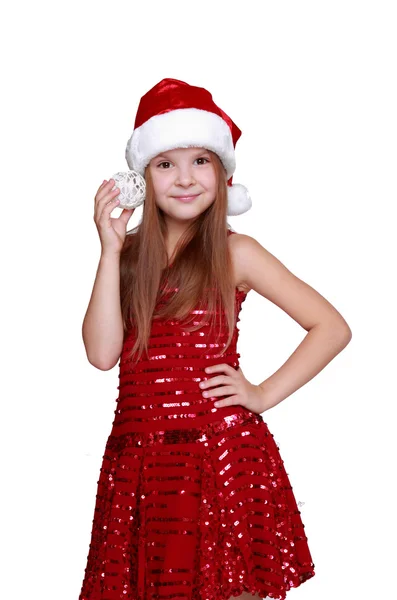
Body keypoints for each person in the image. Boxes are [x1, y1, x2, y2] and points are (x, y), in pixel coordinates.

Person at [79, 78, 352, 600]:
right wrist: (109, 250)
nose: (185, 178)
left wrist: (261, 394)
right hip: (141, 465)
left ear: (224, 174)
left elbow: (331, 327)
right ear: (141, 178)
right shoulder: (128, 256)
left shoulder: (237, 253)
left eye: (200, 161)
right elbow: (100, 353)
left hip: (220, 458)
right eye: (165, 164)